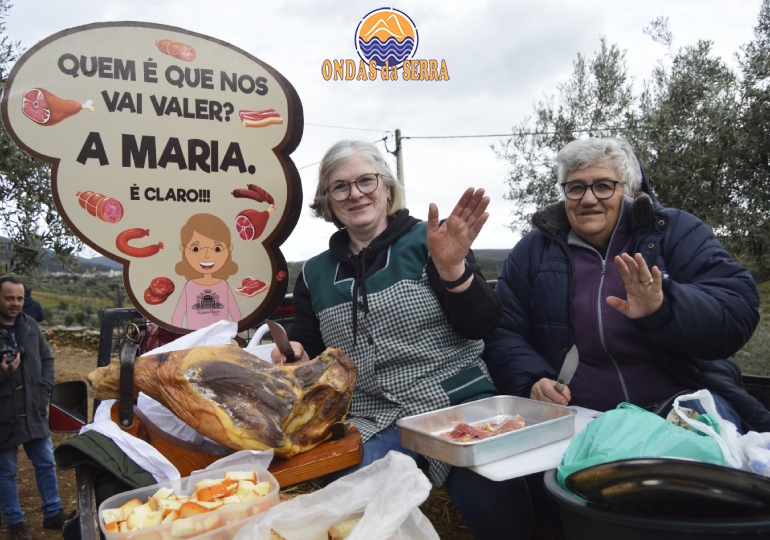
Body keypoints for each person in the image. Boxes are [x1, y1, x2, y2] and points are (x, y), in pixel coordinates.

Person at [271, 140, 531, 539]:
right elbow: (309, 347)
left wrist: (453, 269)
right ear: (328, 200)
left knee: (499, 502)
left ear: (387, 188)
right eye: (340, 186)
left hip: (455, 403)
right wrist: (296, 354)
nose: (355, 193)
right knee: (355, 508)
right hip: (374, 416)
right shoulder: (313, 274)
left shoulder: (431, 242)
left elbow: (481, 323)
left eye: (366, 181)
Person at [485, 137, 769, 432]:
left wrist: (664, 309)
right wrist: (532, 380)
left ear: (630, 191)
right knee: (573, 477)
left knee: (686, 471)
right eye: (576, 187)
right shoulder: (532, 252)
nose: (588, 199)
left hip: (680, 403)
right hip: (583, 417)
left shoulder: (676, 232)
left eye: (604, 186)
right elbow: (505, 332)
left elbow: (736, 312)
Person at [0, 276, 68, 540]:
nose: (15, 303)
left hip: (33, 408)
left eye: (19, 298)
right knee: (5, 472)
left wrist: (44, 389)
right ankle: (16, 523)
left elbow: (47, 359)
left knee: (45, 463)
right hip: (3, 414)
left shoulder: (30, 325)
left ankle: (52, 513)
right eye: (9, 298)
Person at [172, 213, 242, 329]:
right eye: (196, 248)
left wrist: (229, 335)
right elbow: (177, 317)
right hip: (196, 342)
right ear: (184, 249)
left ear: (229, 249)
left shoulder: (223, 285)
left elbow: (237, 315)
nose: (207, 255)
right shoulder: (189, 286)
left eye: (217, 249)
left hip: (220, 341)